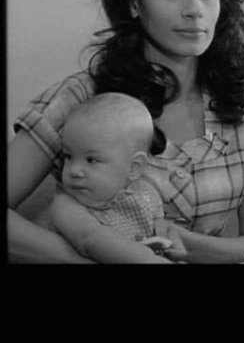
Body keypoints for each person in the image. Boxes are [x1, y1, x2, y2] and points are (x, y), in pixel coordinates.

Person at [8, 0, 244, 263]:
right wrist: (101, 257)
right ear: (135, 3)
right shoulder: (83, 96)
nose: (194, 9)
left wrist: (192, 246)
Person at [49, 93, 185, 263]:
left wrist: (169, 242)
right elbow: (89, 238)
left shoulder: (145, 194)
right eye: (68, 156)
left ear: (134, 168)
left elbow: (160, 224)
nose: (74, 170)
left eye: (91, 160)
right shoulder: (65, 205)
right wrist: (147, 259)